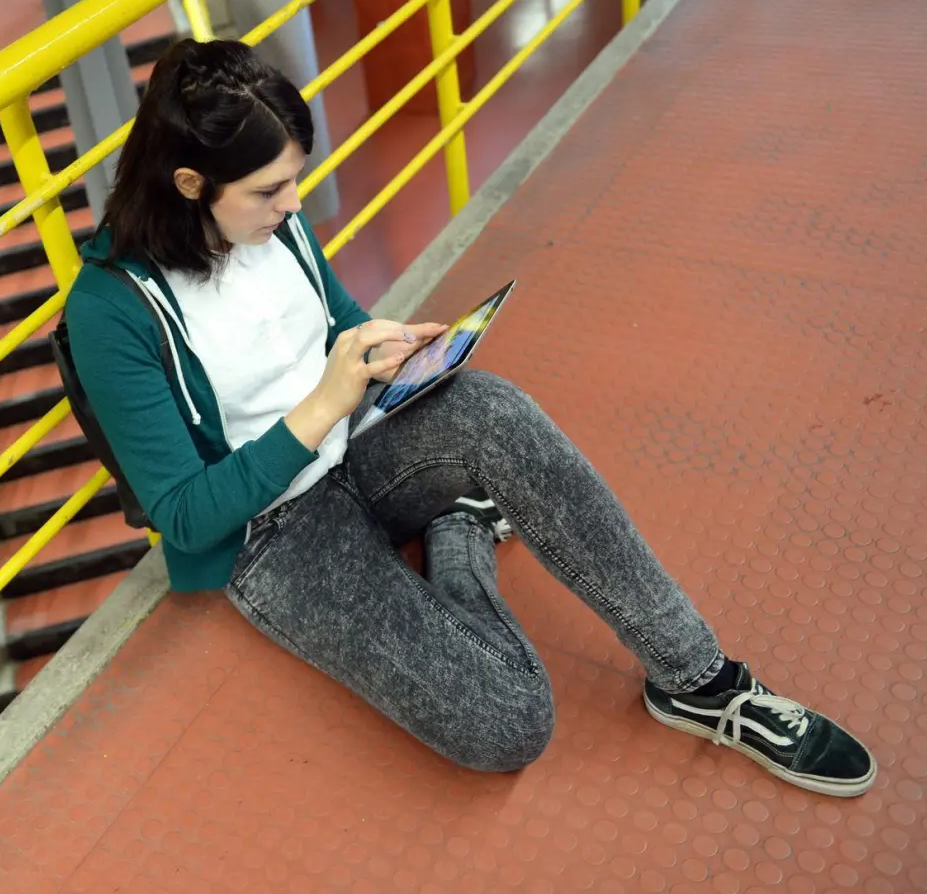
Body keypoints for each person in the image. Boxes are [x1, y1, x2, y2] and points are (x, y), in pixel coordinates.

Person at [65, 40, 874, 796]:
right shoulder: (111, 311)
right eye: (271, 190)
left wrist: (386, 349)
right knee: (508, 726)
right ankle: (459, 537)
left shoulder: (273, 225)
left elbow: (337, 321)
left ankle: (699, 679)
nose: (294, 203)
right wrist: (322, 406)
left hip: (360, 441)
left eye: (295, 179)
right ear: (188, 185)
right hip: (271, 534)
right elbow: (184, 516)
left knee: (493, 409)